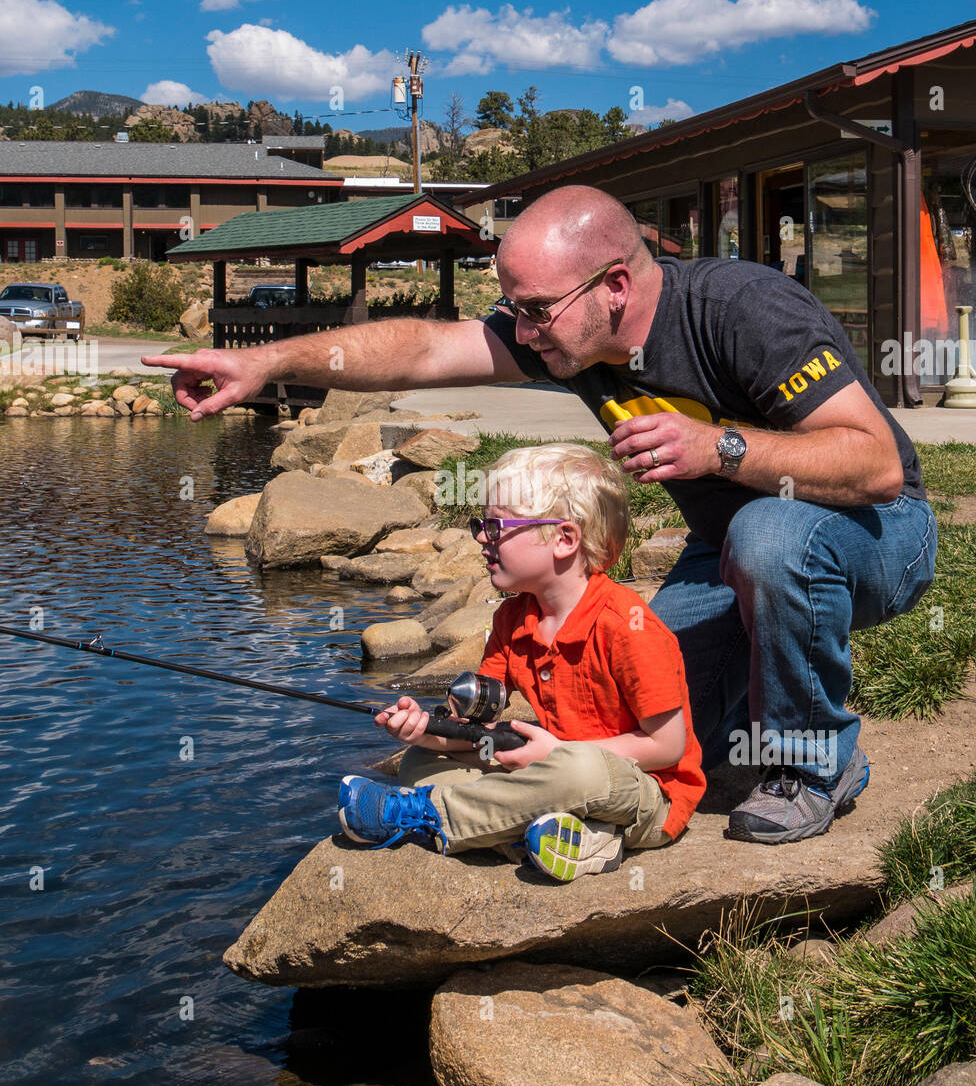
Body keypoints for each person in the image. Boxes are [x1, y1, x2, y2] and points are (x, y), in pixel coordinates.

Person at [142, 183, 937, 845]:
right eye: (511, 309)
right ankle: (782, 736)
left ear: (615, 287)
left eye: (534, 310)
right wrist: (264, 361)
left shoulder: (746, 310)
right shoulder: (566, 330)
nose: (519, 332)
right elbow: (421, 350)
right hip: (726, 550)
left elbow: (874, 465)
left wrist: (719, 449)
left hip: (874, 532)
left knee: (768, 534)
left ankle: (809, 762)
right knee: (651, 730)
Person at [336, 444, 705, 880]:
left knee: (579, 771)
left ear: (564, 539)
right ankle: (573, 839)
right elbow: (479, 732)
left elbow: (667, 747)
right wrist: (427, 732)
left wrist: (559, 754)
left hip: (640, 789)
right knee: (420, 763)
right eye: (481, 525)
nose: (480, 538)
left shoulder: (628, 626)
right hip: (551, 770)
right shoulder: (512, 619)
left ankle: (432, 817)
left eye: (495, 527)